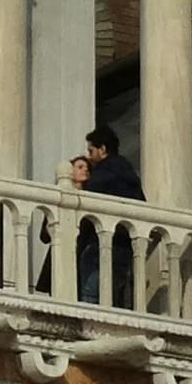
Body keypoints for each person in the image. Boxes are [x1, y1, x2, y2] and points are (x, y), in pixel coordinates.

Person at [71, 125, 143, 308]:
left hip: (99, 245)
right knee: (115, 300)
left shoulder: (101, 174)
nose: (89, 157)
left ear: (102, 149)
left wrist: (78, 241)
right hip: (125, 246)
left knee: (91, 300)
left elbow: (88, 211)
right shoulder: (131, 175)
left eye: (91, 151)